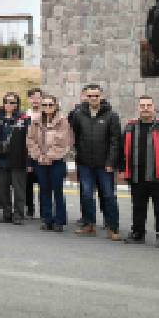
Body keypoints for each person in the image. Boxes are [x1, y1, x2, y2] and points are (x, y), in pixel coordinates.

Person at [120, 95, 159, 250]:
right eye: (142, 105)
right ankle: (138, 233)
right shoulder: (130, 126)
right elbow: (122, 150)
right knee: (138, 207)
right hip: (137, 176)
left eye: (148, 105)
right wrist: (121, 169)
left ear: (153, 107)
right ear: (138, 108)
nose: (146, 108)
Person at [69, 83, 123, 240]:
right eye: (90, 96)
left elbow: (115, 141)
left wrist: (111, 162)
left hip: (104, 165)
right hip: (85, 163)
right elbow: (74, 135)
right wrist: (77, 154)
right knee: (86, 195)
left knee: (108, 196)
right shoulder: (78, 115)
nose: (93, 98)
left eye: (96, 96)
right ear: (86, 97)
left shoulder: (111, 116)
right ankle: (89, 225)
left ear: (101, 96)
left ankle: (113, 228)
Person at [28, 94, 72, 232]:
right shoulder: (35, 121)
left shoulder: (63, 122)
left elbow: (63, 142)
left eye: (50, 105)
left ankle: (59, 220)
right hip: (40, 161)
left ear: (56, 106)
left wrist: (49, 156)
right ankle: (47, 219)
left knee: (57, 191)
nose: (47, 107)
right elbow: (30, 140)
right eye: (44, 105)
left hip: (57, 161)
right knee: (44, 190)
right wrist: (39, 156)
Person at [0, 92, 31, 225]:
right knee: (3, 189)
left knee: (19, 189)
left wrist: (29, 161)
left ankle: (19, 214)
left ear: (17, 104)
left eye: (12, 102)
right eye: (6, 102)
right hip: (1, 159)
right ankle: (6, 213)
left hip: (18, 159)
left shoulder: (24, 119)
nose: (9, 104)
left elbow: (29, 141)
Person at [24, 87, 44, 218]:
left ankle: (44, 211)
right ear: (29, 100)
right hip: (28, 155)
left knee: (44, 185)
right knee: (28, 184)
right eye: (33, 97)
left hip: (43, 155)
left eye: (38, 97)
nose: (35, 100)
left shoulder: (47, 114)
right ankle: (30, 209)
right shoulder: (24, 116)